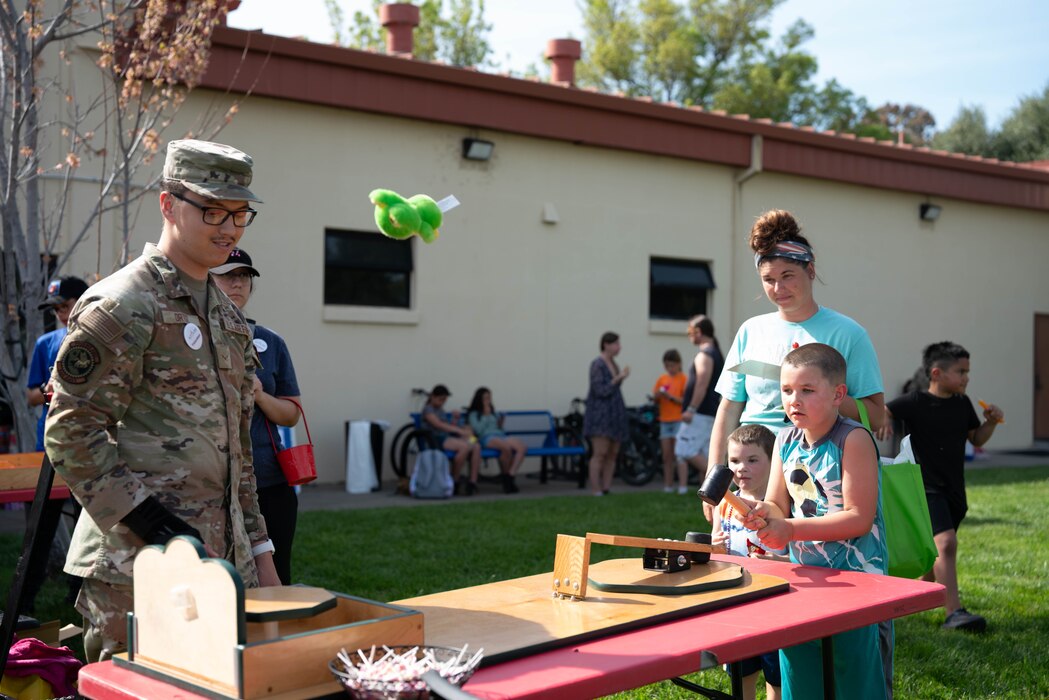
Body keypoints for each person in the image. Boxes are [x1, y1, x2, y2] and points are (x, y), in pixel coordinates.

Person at [44, 139, 280, 663]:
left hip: (221, 563)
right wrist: (151, 524)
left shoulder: (226, 316)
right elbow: (71, 431)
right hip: (139, 563)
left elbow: (236, 450)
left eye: (241, 213)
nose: (230, 227)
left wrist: (259, 550)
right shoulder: (124, 304)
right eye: (213, 209)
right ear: (168, 204)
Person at [707, 209, 885, 522]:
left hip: (816, 476)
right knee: (746, 568)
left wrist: (820, 395)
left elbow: (875, 413)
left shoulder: (849, 334)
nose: (778, 289)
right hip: (752, 475)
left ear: (811, 270)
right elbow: (729, 408)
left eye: (788, 276)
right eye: (768, 280)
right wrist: (715, 478)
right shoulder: (751, 330)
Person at [744, 344, 888, 700]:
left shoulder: (852, 439)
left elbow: (858, 517)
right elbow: (778, 503)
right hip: (805, 579)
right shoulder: (784, 439)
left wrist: (790, 528)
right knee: (801, 671)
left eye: (807, 390)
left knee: (854, 680)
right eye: (787, 390)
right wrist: (763, 513)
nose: (794, 400)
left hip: (858, 586)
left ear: (839, 394)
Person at [883, 342, 1002, 633]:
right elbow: (885, 409)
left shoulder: (963, 404)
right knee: (946, 544)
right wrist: (885, 422)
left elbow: (976, 438)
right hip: (925, 486)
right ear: (936, 373)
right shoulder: (915, 401)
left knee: (934, 551)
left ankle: (918, 593)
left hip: (954, 490)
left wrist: (992, 423)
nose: (966, 378)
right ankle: (954, 612)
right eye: (960, 372)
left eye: (967, 372)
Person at [212, 248, 302, 585]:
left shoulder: (271, 342)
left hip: (269, 480)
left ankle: (279, 637)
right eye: (228, 274)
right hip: (214, 482)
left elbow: (291, 414)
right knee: (220, 581)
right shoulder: (191, 337)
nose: (237, 283)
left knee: (277, 576)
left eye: (244, 276)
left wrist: (261, 395)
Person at [710, 424, 785, 700]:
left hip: (775, 604)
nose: (741, 468)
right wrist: (715, 548)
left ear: (773, 462)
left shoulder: (781, 505)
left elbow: (797, 553)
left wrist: (778, 559)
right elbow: (719, 554)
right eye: (734, 461)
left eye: (752, 460)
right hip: (738, 600)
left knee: (776, 675)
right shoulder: (724, 503)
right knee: (742, 673)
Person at [26, 276, 89, 450]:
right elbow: (31, 397)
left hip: (91, 434)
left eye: (65, 306)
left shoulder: (105, 341)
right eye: (56, 309)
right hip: (53, 433)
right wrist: (49, 391)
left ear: (84, 301)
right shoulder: (46, 343)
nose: (60, 313)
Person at [674, 315, 723, 493]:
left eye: (690, 332)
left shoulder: (705, 354)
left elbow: (701, 383)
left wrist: (691, 409)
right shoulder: (714, 352)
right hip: (708, 412)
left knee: (684, 449)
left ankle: (722, 484)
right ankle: (711, 492)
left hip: (700, 413)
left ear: (699, 332)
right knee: (704, 452)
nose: (689, 336)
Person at [583, 331, 629, 496]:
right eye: (616, 343)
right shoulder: (597, 364)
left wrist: (619, 378)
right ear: (606, 345)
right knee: (599, 453)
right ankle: (595, 489)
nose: (619, 347)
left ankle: (606, 488)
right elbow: (600, 390)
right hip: (600, 415)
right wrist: (618, 378)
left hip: (615, 414)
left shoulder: (614, 363)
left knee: (612, 453)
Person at [421, 384, 481, 495]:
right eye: (440, 399)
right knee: (464, 446)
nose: (442, 402)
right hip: (436, 439)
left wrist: (455, 421)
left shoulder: (440, 410)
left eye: (444, 400)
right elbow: (438, 425)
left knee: (475, 444)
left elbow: (447, 426)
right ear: (433, 396)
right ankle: (454, 480)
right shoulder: (428, 410)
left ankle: (473, 481)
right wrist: (458, 431)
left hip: (447, 437)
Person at [467, 387, 526, 494]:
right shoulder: (474, 414)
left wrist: (501, 422)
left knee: (521, 447)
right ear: (479, 399)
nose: (488, 401)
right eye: (485, 398)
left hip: (500, 435)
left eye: (489, 398)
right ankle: (506, 481)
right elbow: (478, 431)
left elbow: (499, 429)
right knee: (505, 448)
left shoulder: (493, 412)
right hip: (487, 437)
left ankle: (510, 476)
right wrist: (485, 416)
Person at [651, 349, 687, 493]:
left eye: (672, 365)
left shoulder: (683, 378)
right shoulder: (662, 379)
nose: (670, 369)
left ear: (678, 364)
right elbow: (655, 398)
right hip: (665, 420)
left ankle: (682, 486)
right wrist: (658, 395)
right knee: (667, 455)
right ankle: (668, 485)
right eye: (667, 366)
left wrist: (671, 397)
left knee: (680, 454)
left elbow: (686, 401)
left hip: (678, 419)